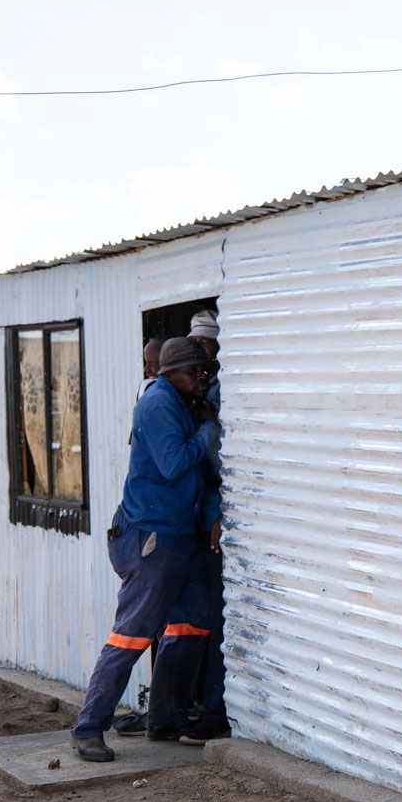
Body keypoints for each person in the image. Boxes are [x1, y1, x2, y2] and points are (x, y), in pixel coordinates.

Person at [68, 337, 221, 762]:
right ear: (169, 373)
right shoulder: (158, 404)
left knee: (192, 624)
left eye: (204, 371)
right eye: (194, 372)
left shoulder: (184, 401)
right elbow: (174, 464)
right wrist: (209, 432)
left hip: (179, 535)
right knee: (133, 632)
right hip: (150, 538)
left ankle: (165, 719)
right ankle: (88, 728)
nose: (202, 378)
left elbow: (203, 477)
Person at [180, 308, 229, 745]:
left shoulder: (220, 391)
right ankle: (198, 706)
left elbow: (221, 466)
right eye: (194, 343)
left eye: (206, 343)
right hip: (199, 519)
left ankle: (216, 710)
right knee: (202, 618)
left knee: (218, 618)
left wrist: (217, 512)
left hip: (216, 519)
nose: (200, 350)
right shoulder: (188, 397)